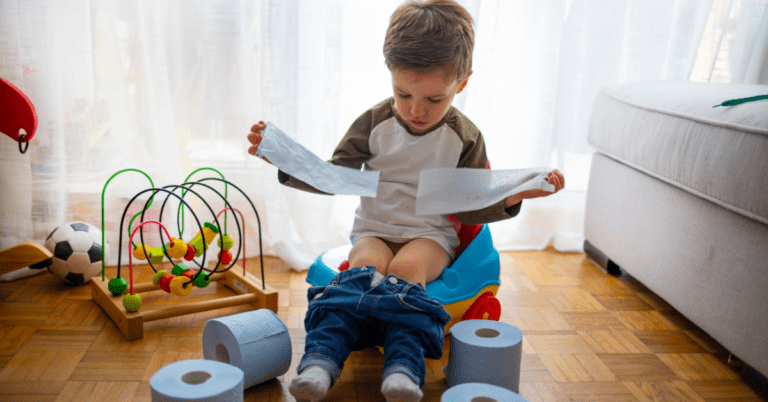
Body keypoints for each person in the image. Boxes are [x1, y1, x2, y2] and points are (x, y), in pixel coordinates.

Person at [247, 1, 564, 401]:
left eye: (434, 99)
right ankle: (319, 362)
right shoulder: (373, 123)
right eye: (403, 93)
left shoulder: (464, 137)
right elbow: (334, 176)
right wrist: (283, 157)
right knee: (363, 268)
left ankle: (403, 369)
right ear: (391, 76)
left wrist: (517, 193)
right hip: (374, 230)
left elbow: (471, 206)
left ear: (461, 83)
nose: (416, 110)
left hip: (429, 236)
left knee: (406, 268)